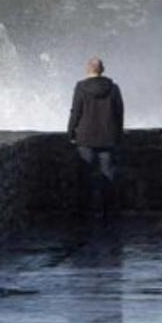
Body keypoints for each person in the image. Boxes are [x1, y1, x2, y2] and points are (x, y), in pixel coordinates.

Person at [67, 57, 125, 219]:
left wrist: (70, 132)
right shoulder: (113, 88)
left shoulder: (81, 88)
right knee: (108, 175)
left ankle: (85, 211)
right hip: (108, 137)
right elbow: (119, 113)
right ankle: (109, 211)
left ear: (88, 69)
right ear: (102, 69)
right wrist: (118, 134)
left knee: (85, 175)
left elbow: (76, 112)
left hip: (85, 138)